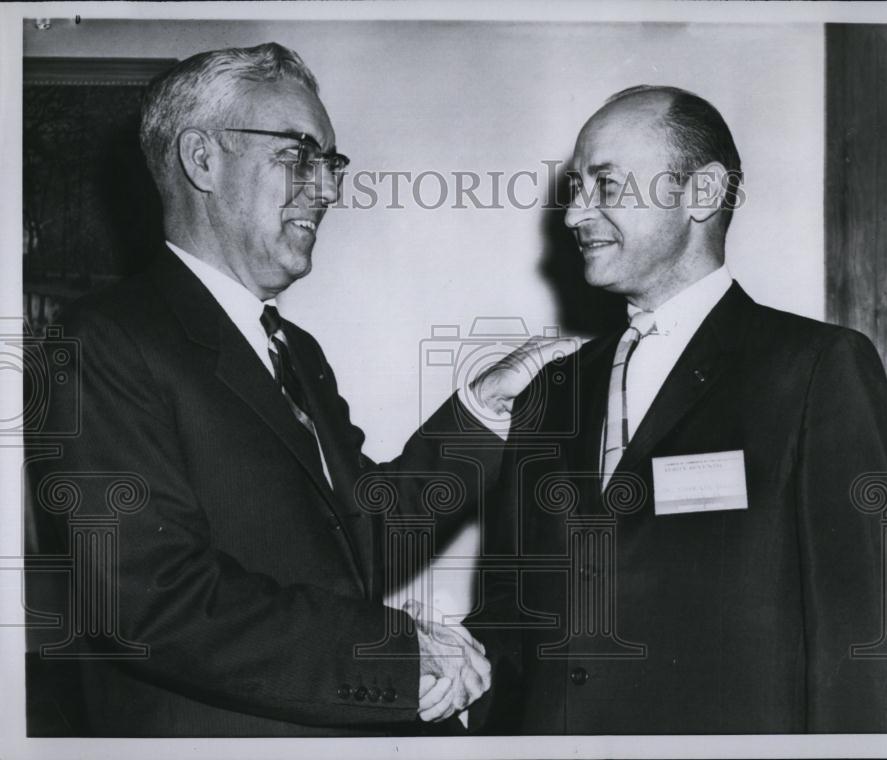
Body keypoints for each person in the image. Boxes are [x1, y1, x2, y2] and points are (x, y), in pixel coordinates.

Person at [26, 42, 566, 737]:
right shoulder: (101, 341)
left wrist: (481, 411)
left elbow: (362, 536)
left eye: (331, 163)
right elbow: (152, 601)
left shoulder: (292, 350)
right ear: (201, 159)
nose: (329, 189)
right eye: (298, 155)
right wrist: (398, 653)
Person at [459, 85, 887, 734]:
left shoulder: (815, 369)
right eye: (576, 188)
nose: (576, 214)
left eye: (605, 185)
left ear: (701, 192)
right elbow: (509, 615)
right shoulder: (547, 393)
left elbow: (861, 641)